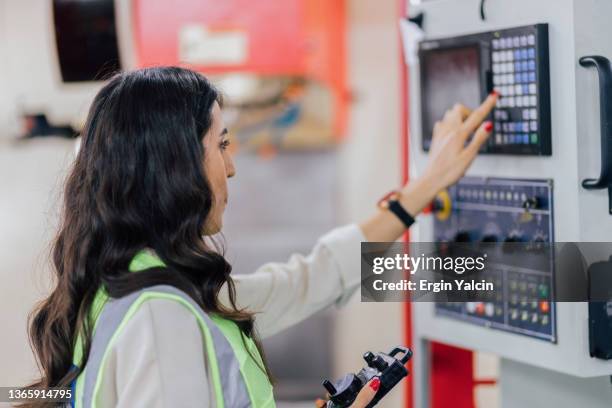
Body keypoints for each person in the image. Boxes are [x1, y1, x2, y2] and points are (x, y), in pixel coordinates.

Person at [24, 67, 497, 408]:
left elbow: (311, 279)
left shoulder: (137, 286)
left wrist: (424, 188)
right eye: (222, 144)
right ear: (176, 165)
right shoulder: (159, 316)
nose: (231, 166)